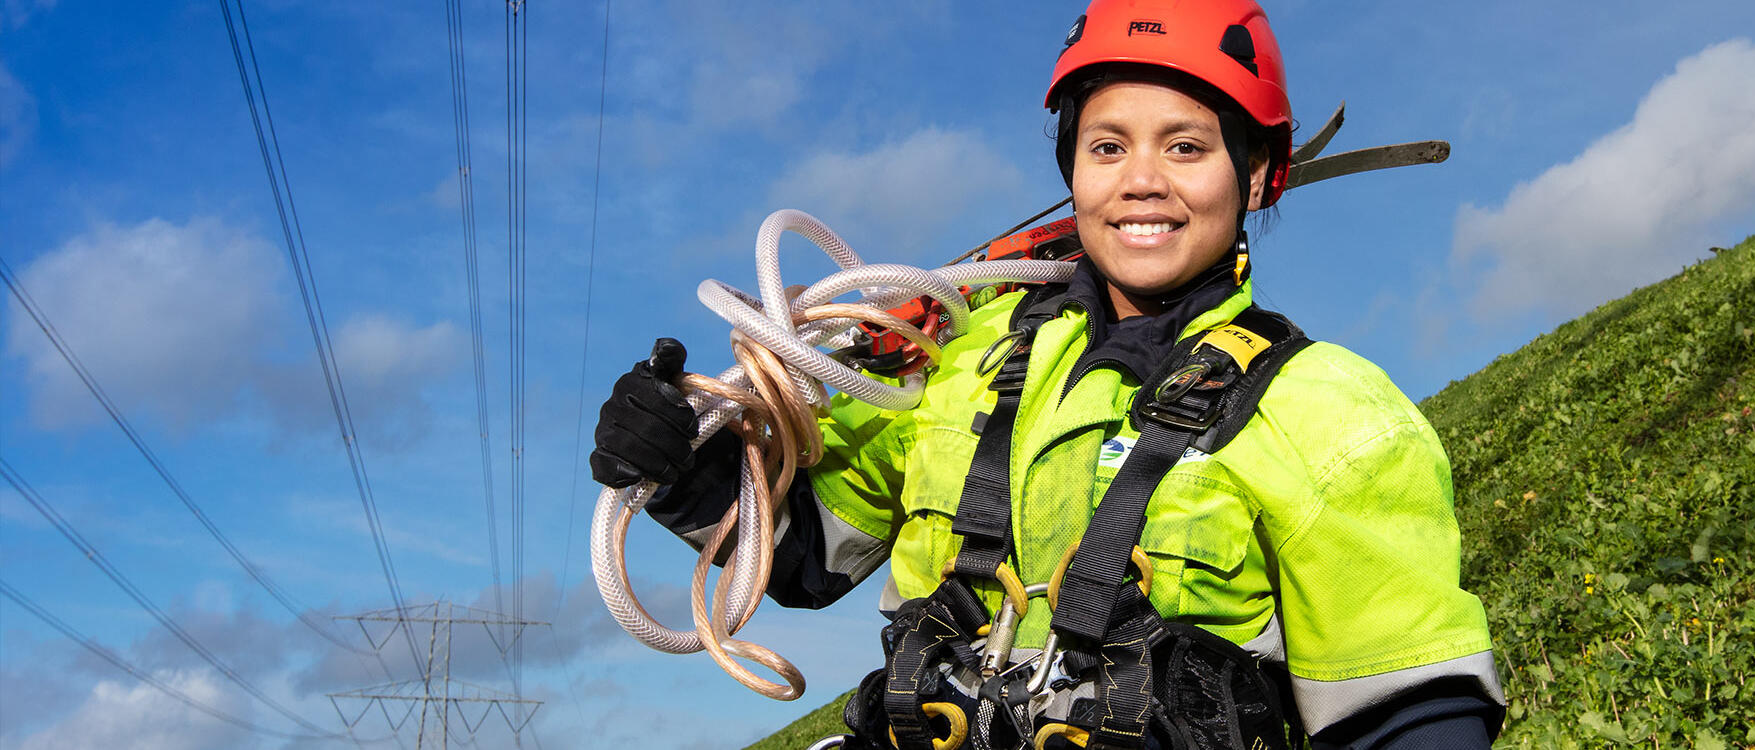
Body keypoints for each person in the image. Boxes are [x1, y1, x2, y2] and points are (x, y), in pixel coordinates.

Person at [592, 1, 1506, 747]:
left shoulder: (1332, 411)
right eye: (1107, 146)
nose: (1141, 180)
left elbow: (1412, 712)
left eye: (1185, 146)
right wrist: (685, 470)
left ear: (1258, 173)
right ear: (1071, 169)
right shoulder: (960, 365)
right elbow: (802, 558)